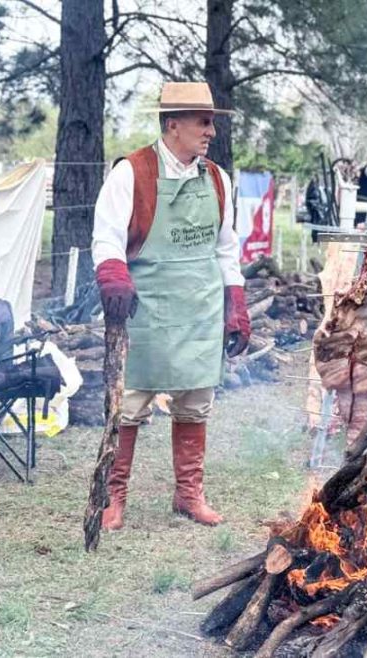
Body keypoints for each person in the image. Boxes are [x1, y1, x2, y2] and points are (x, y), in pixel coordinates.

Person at [92, 82, 250, 530]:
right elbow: (106, 236)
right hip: (147, 312)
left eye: (212, 122)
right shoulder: (132, 172)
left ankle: (188, 495)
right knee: (128, 405)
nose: (211, 132)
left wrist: (234, 303)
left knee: (196, 402)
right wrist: (113, 275)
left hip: (199, 309)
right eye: (203, 122)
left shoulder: (217, 179)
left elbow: (226, 249)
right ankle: (113, 497)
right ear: (172, 124)